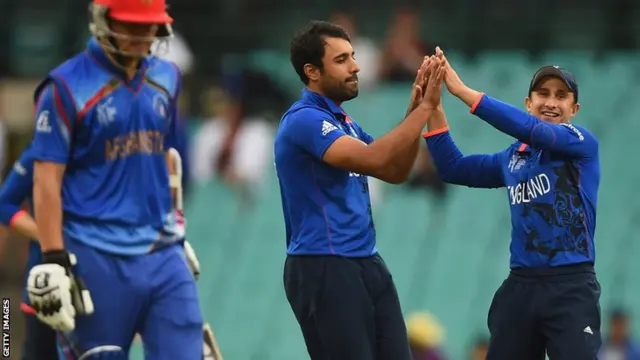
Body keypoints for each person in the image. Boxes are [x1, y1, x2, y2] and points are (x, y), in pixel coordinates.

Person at [25, 0, 204, 358]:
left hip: (161, 250)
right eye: (132, 26)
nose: (143, 36)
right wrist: (54, 256)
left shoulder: (168, 77)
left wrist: (176, 226)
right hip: (94, 253)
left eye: (150, 26)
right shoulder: (64, 86)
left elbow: (164, 161)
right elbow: (46, 179)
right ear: (102, 20)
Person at [274, 20, 445, 359]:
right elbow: (374, 157)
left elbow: (395, 171)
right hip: (324, 264)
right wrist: (424, 109)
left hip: (365, 260)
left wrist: (415, 110)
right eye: (341, 60)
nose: (356, 66)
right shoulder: (303, 120)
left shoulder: (345, 123)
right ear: (312, 71)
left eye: (352, 56)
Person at [424, 48, 601, 359]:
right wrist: (434, 106)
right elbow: (453, 167)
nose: (551, 102)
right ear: (528, 103)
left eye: (561, 96)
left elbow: (534, 131)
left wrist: (463, 92)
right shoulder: (513, 158)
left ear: (574, 108)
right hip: (521, 286)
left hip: (570, 286)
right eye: (542, 93)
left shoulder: (580, 143)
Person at [0, 147, 58, 360]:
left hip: (92, 280)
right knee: (11, 338)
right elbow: (4, 205)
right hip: (40, 285)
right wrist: (49, 237)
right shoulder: (37, 155)